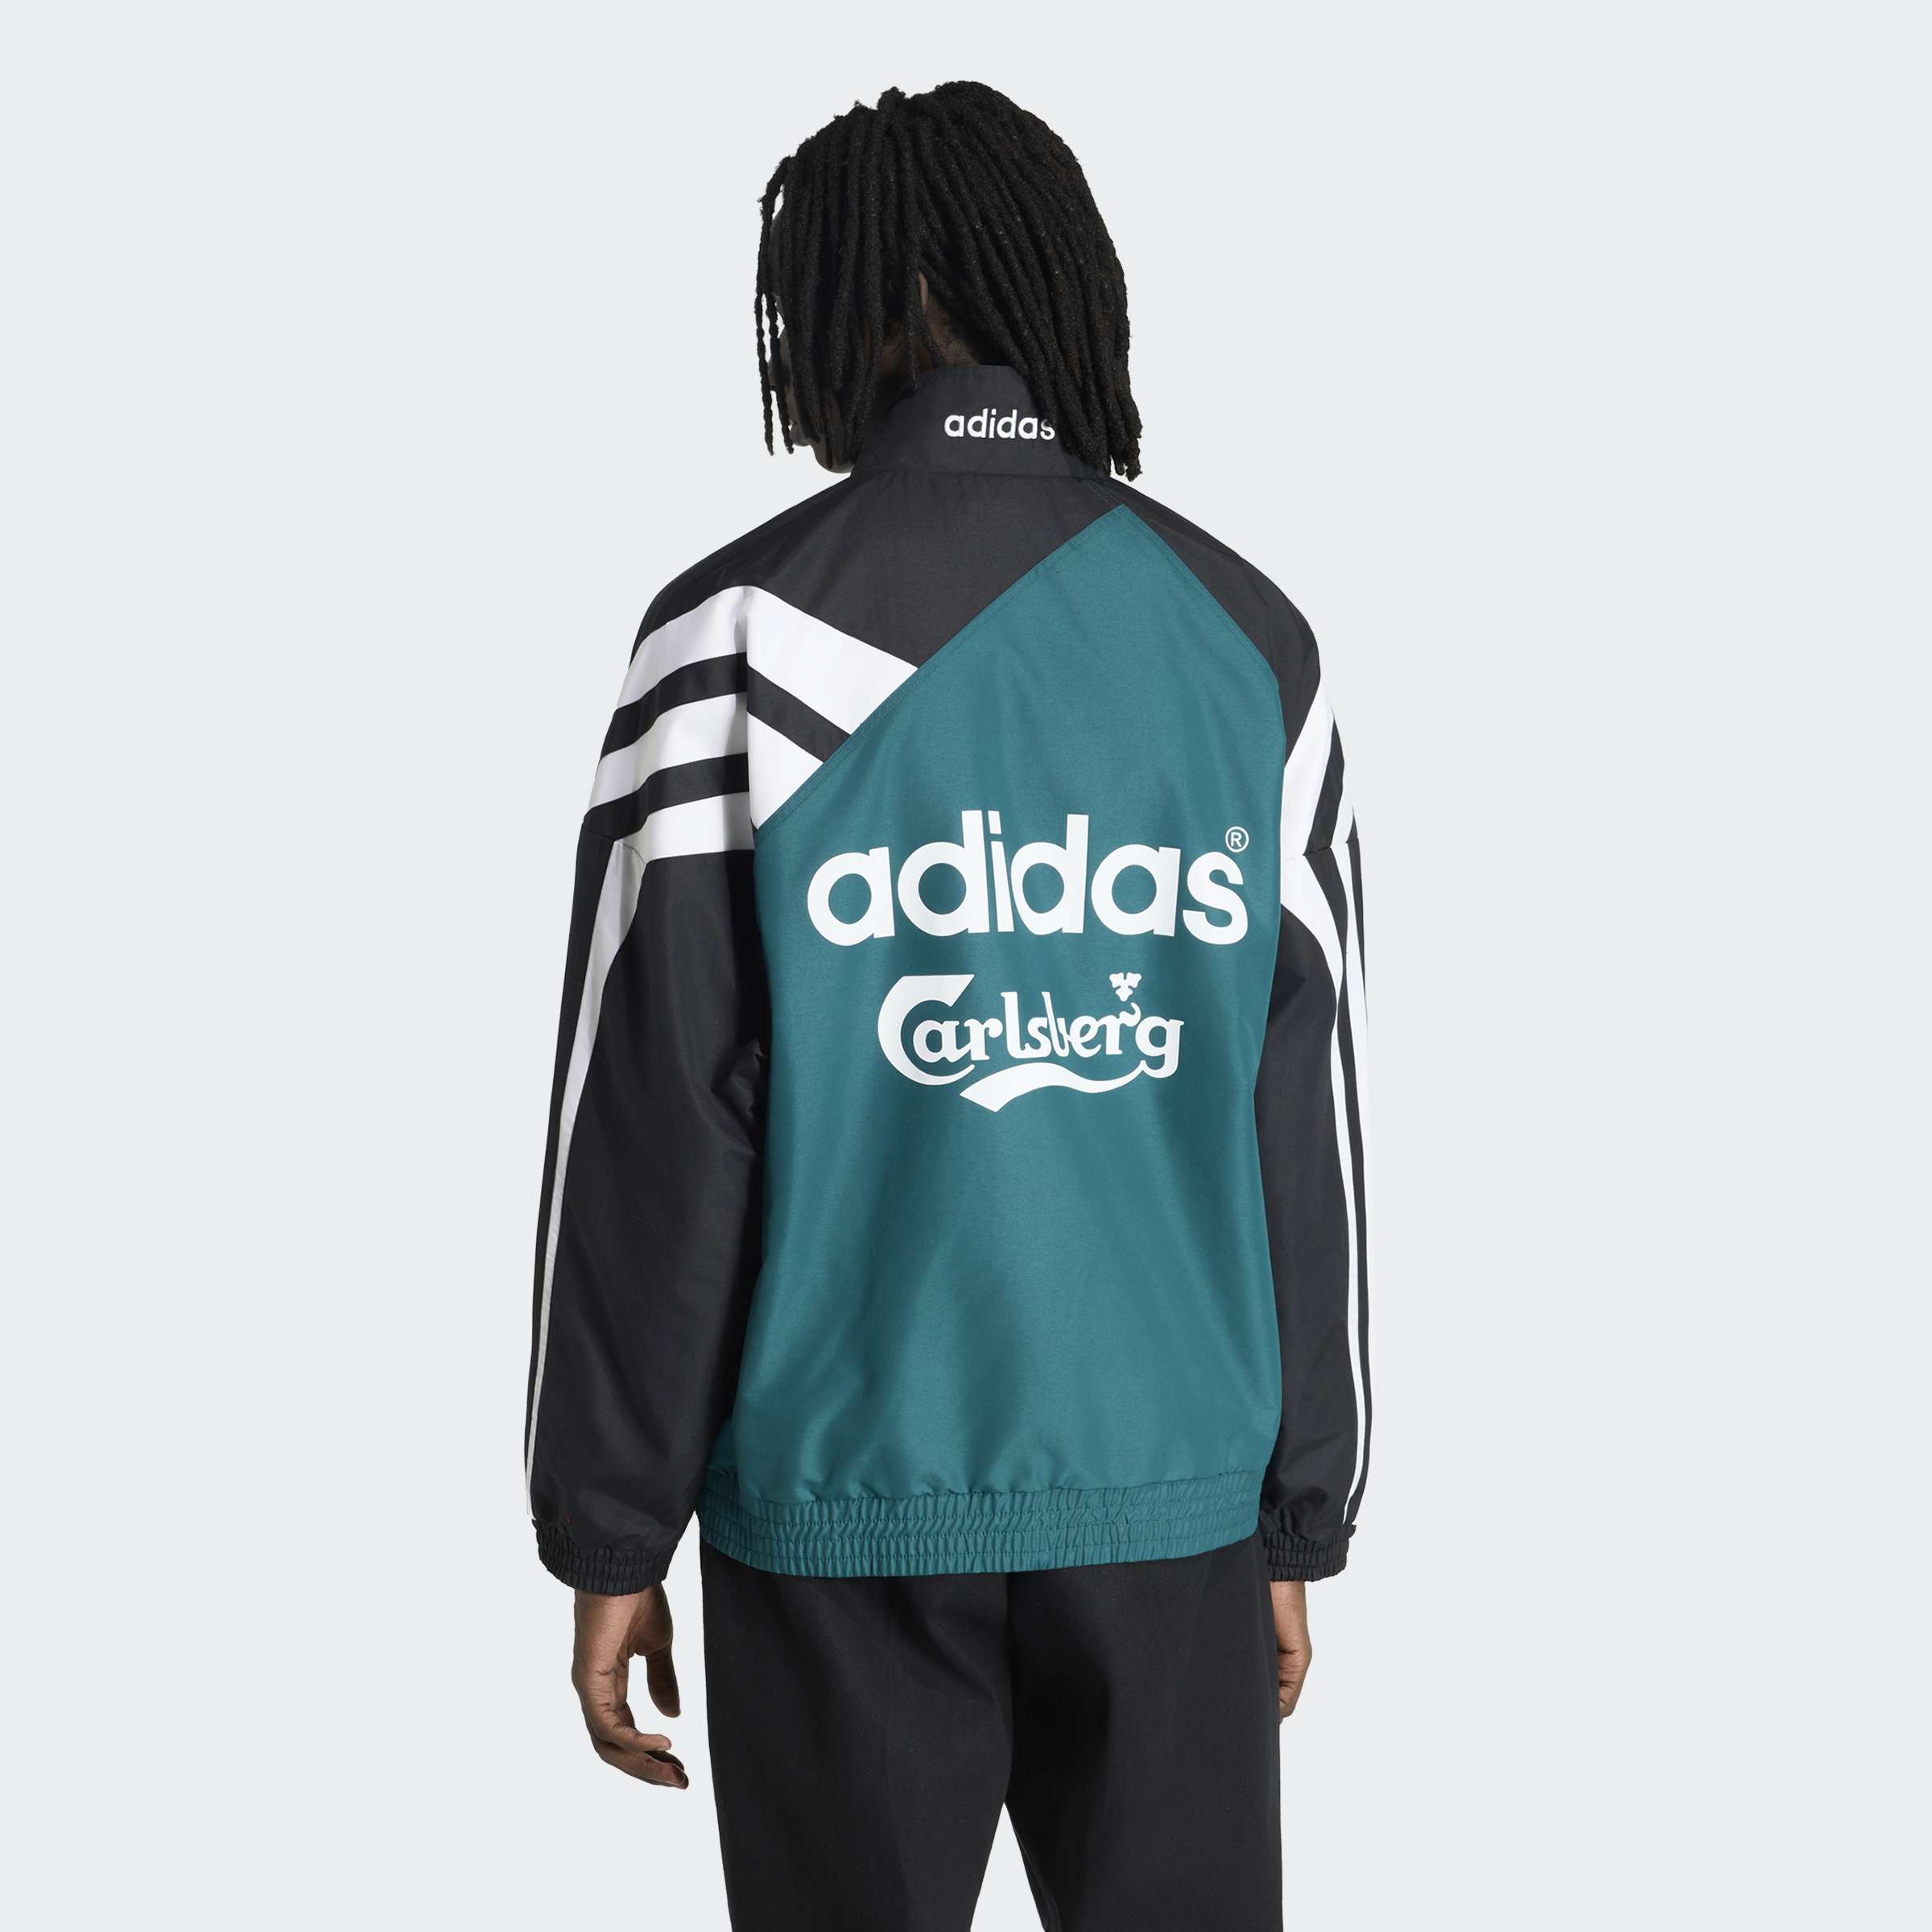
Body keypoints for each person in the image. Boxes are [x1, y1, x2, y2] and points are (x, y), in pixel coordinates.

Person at [524, 80, 1371, 1932]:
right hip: (1171, 1500)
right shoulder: (1250, 644)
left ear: (826, 316)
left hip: (839, 1497)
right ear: (1069, 287)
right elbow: (1299, 1121)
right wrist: (1296, 1512)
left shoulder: (732, 639)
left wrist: (609, 1525)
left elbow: (655, 1121)